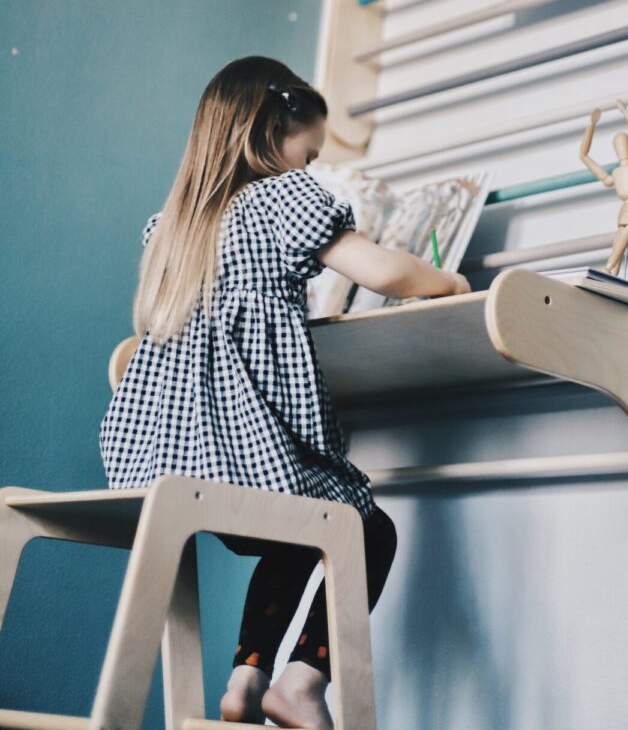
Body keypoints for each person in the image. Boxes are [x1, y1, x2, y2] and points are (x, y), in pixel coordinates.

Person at [99, 55, 470, 730]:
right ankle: (300, 681)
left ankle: (246, 682)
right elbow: (384, 271)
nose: (308, 171)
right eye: (307, 157)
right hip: (245, 461)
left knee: (300, 525)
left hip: (167, 474)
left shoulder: (170, 231)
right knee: (365, 526)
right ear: (271, 134)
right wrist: (448, 283)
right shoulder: (281, 200)